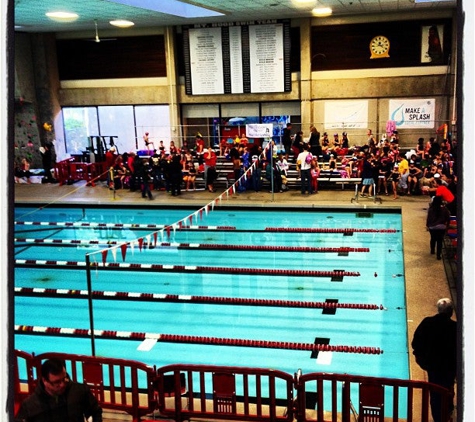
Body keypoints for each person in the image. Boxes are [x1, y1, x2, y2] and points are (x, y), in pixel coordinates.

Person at [15, 357, 103, 422]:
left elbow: (96, 412)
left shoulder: (79, 391)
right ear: (45, 380)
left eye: (64, 378)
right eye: (57, 382)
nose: (62, 385)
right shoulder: (30, 405)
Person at [412, 298, 456, 422]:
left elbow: (416, 342)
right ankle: (447, 413)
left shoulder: (427, 323)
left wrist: (419, 358)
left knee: (435, 395)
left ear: (438, 310)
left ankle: (438, 417)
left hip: (433, 367)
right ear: (451, 312)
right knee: (447, 389)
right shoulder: (455, 328)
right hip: (449, 368)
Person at [426, 195, 451, 260]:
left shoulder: (431, 209)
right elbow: (448, 218)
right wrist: (447, 226)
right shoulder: (444, 209)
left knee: (433, 239)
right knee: (440, 241)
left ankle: (432, 250)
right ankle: (438, 256)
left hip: (432, 227)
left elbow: (428, 218)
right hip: (441, 227)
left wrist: (427, 225)